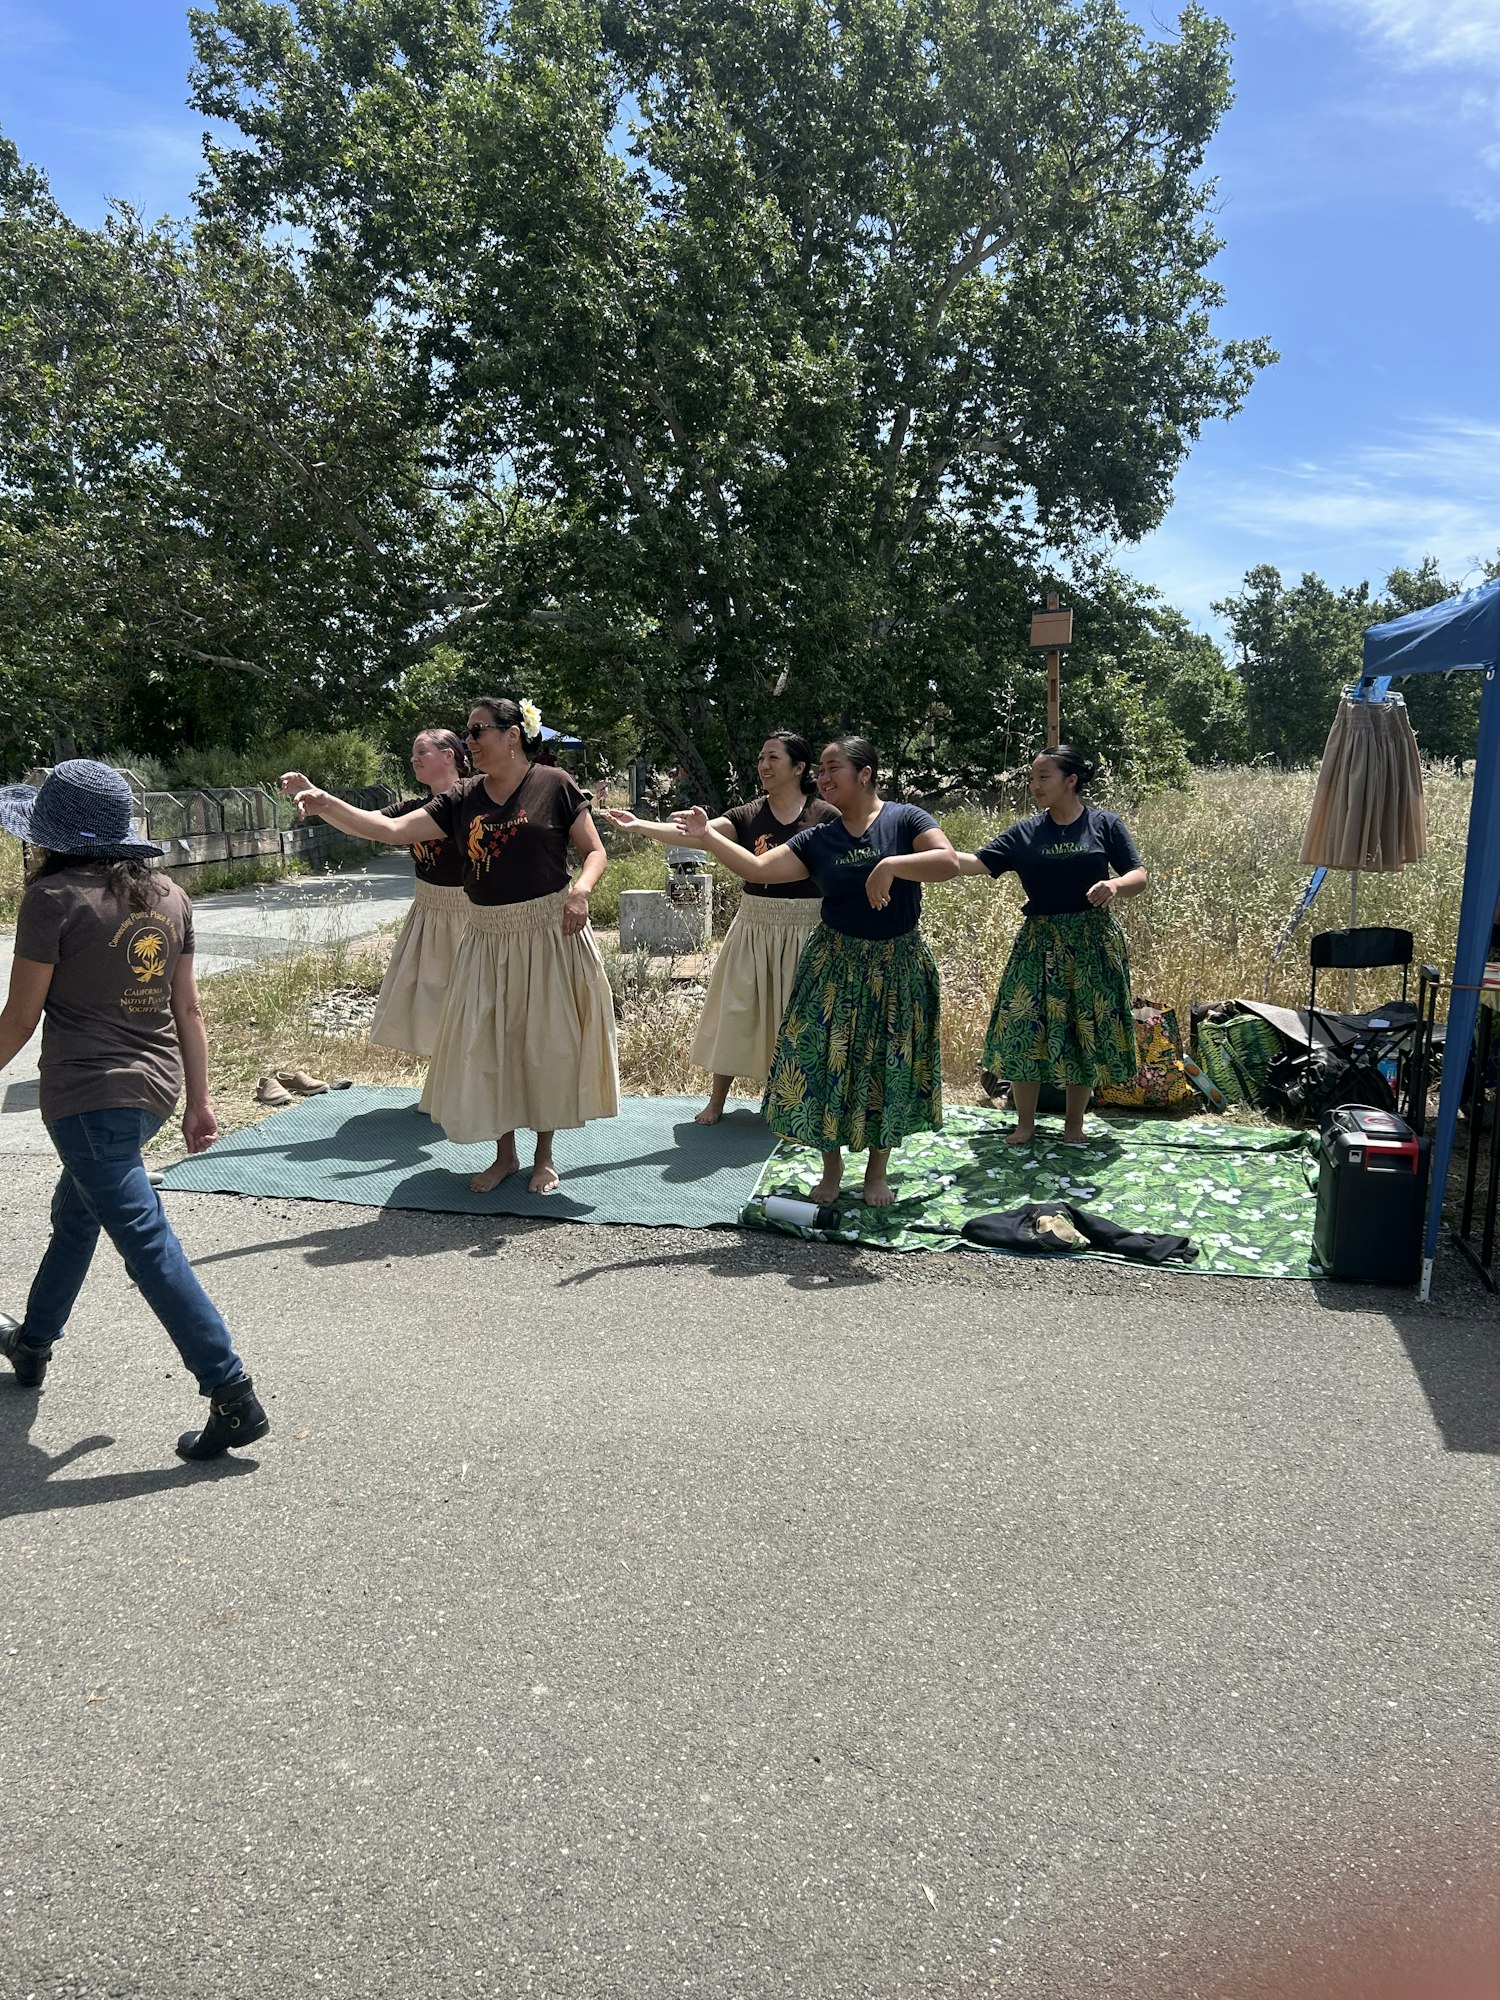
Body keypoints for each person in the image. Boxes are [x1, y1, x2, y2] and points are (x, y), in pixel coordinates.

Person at [0, 761, 269, 1460]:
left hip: (87, 1101)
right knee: (76, 1213)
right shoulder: (169, 895)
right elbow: (188, 1008)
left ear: (51, 836)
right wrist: (201, 1102)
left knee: (146, 1243)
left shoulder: (53, 898)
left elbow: (20, 1021)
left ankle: (231, 1391)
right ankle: (33, 1342)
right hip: (153, 1094)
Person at [283, 696, 617, 1194]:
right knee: (490, 1045)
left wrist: (582, 893)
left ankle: (544, 1157)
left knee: (546, 1045)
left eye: (479, 730)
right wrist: (324, 800)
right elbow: (392, 829)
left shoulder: (555, 784)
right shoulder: (463, 797)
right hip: (486, 936)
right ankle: (504, 1155)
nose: (470, 741)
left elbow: (594, 851)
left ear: (512, 734)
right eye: (467, 733)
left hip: (549, 932)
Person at [674, 736, 957, 1206]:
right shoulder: (818, 838)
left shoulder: (906, 820)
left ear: (865, 773)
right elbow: (759, 866)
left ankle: (876, 1174)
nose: (823, 779)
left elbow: (946, 862)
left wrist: (890, 865)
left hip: (896, 966)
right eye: (820, 771)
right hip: (834, 965)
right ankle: (831, 1168)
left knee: (885, 1068)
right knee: (825, 1066)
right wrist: (706, 837)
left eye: (833, 769)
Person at [604, 732, 838, 1123]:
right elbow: (695, 835)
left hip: (807, 926)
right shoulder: (748, 814)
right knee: (736, 1008)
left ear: (799, 768)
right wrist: (638, 825)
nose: (763, 765)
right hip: (754, 923)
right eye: (761, 757)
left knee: (802, 1017)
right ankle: (717, 1101)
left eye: (773, 758)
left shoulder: (824, 816)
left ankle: (801, 1100)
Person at [956, 745, 1148, 1147]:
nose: (1034, 785)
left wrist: (1114, 885)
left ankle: (1073, 1126)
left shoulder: (1105, 825)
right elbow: (975, 862)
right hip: (1038, 942)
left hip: (1092, 943)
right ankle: (1024, 1125)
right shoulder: (1025, 833)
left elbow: (1138, 875)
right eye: (1031, 778)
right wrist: (924, 854)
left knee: (1082, 1034)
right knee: (1026, 1029)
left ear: (1071, 780)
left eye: (1043, 777)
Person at [366, 728, 472, 1059]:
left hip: (473, 915)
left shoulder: (477, 800)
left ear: (448, 755)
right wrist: (320, 801)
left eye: (421, 752)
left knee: (475, 1001)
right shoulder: (416, 808)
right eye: (413, 753)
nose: (413, 759)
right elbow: (366, 822)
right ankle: (446, 1084)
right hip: (428, 912)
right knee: (432, 1003)